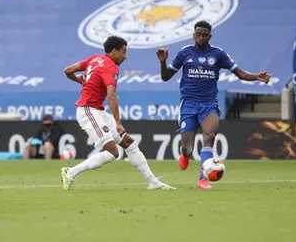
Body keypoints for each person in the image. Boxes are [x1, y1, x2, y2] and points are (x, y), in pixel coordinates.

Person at [156, 20, 271, 189]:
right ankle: (185, 154)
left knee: (209, 137)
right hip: (188, 104)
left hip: (209, 104)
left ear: (210, 36)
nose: (201, 37)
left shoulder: (218, 54)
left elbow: (239, 73)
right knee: (187, 148)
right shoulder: (184, 53)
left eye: (204, 35)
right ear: (194, 35)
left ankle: (202, 179)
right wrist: (162, 62)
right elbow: (165, 77)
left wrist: (256, 77)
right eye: (198, 34)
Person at [61, 35, 176, 191]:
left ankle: (153, 182)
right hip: (88, 110)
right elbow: (111, 95)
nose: (125, 57)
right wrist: (118, 122)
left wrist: (79, 80)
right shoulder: (111, 67)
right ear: (114, 51)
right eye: (123, 52)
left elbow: (68, 71)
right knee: (112, 152)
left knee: (129, 143)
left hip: (97, 111)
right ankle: (71, 171)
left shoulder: (94, 59)